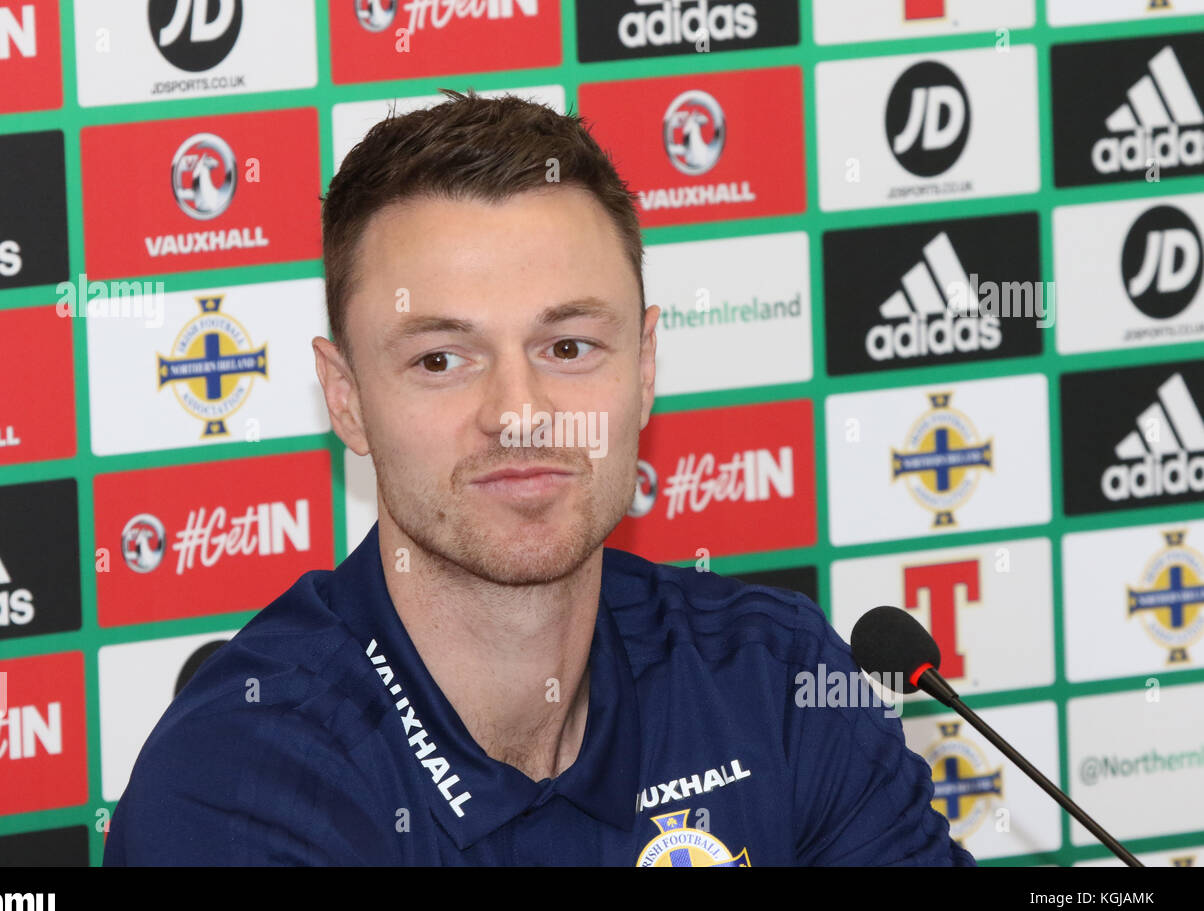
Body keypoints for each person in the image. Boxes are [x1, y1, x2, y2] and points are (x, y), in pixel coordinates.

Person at [104, 89, 976, 866]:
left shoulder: (770, 680)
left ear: (644, 371)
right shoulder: (239, 787)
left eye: (567, 347)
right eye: (441, 358)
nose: (518, 412)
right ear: (348, 399)